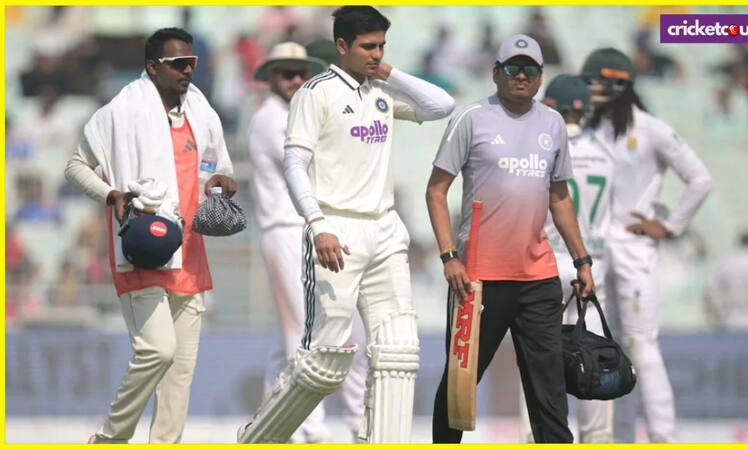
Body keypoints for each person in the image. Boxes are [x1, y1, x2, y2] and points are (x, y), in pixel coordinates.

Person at [238, 6, 455, 443]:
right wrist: (318, 224)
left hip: (386, 229)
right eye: (367, 46)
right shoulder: (315, 93)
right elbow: (295, 165)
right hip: (337, 229)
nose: (377, 54)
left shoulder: (381, 91)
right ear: (341, 46)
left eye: (381, 46)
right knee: (324, 361)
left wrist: (387, 71)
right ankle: (261, 438)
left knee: (397, 351)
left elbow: (442, 105)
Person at [64, 27, 237, 443]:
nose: (187, 70)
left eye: (191, 62)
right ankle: (110, 437)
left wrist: (223, 182)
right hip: (143, 247)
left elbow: (220, 168)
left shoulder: (201, 109)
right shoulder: (120, 111)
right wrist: (111, 195)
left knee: (179, 376)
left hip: (190, 254)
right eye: (178, 63)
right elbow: (75, 166)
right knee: (158, 351)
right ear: (152, 67)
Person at [426, 34, 595, 444]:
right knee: (460, 381)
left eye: (530, 69)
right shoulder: (471, 118)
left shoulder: (553, 123)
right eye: (513, 67)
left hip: (537, 277)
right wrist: (449, 256)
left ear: (540, 77)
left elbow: (559, 197)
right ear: (495, 72)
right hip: (477, 280)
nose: (521, 75)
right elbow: (435, 191)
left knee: (548, 387)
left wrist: (582, 261)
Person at [580, 47, 713, 443]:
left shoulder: (651, 129)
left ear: (618, 83)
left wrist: (669, 227)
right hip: (596, 250)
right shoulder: (588, 129)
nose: (590, 90)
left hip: (634, 250)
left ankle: (663, 438)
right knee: (609, 349)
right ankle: (619, 437)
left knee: (641, 345)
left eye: (596, 82)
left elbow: (700, 179)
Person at [247, 40, 367, 443]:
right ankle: (309, 433)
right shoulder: (271, 118)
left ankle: (270, 429)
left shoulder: (294, 113)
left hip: (309, 231)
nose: (296, 79)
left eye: (301, 73)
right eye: (286, 73)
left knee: (294, 339)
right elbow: (319, 161)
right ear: (270, 77)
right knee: (305, 335)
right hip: (287, 230)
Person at [518, 74, 616, 443]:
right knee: (592, 351)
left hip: (546, 259)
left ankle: (534, 434)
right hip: (591, 262)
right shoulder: (606, 152)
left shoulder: (541, 145)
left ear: (551, 106)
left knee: (537, 353)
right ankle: (596, 436)